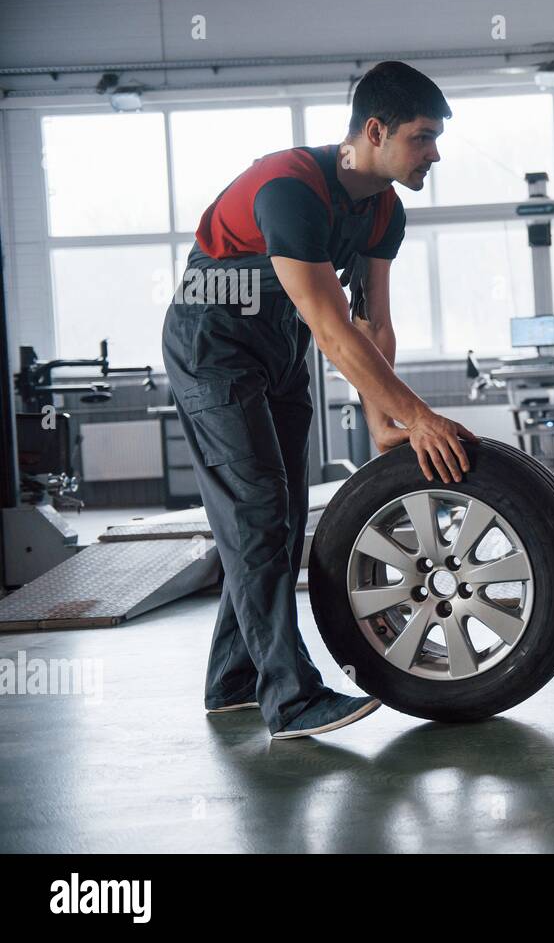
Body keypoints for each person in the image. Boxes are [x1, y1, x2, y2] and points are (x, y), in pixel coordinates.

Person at [161, 61, 478, 739]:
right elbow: (331, 327)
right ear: (375, 130)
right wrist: (420, 416)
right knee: (257, 511)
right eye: (422, 137)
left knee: (279, 519)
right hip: (212, 340)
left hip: (278, 343)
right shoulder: (291, 189)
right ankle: (293, 699)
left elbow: (372, 323)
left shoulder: (384, 209)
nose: (435, 153)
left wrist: (382, 423)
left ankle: (234, 681)